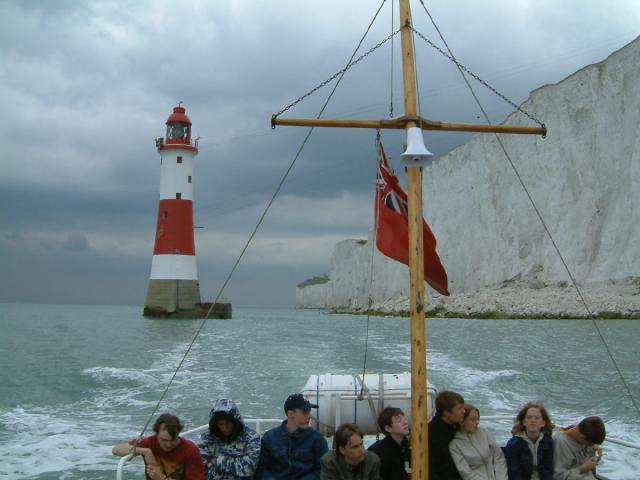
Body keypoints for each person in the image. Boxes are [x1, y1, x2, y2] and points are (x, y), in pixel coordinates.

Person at [112, 412, 205, 480]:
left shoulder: (191, 450)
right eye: (164, 440)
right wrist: (145, 451)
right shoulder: (150, 443)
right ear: (156, 434)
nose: (168, 444)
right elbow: (116, 450)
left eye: (173, 440)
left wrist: (161, 478)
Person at [256, 393, 329, 479]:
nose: (309, 416)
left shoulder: (317, 439)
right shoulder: (269, 438)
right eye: (305, 412)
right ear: (291, 413)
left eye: (309, 411)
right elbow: (261, 469)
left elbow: (323, 469)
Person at [198, 398, 261, 479]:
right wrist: (237, 463)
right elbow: (200, 467)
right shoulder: (206, 438)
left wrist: (217, 461)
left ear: (235, 421)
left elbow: (248, 469)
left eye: (228, 423)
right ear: (215, 424)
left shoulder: (251, 437)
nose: (225, 428)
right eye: (221, 424)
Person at [449, 404, 508, 480]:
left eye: (478, 419)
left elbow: (499, 458)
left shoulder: (485, 433)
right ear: (462, 422)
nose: (477, 422)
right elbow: (466, 473)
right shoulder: (455, 445)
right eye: (473, 419)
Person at [504, 402, 554, 480]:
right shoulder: (513, 444)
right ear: (524, 422)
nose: (533, 420)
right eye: (529, 417)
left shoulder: (548, 442)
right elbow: (514, 473)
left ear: (543, 423)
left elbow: (548, 471)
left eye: (536, 418)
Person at [428, 389, 466, 480]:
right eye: (459, 408)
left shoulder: (454, 424)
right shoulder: (433, 434)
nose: (464, 411)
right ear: (447, 413)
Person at [368, 406, 411, 480]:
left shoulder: (407, 447)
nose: (405, 422)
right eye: (399, 421)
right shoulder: (378, 452)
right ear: (388, 428)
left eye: (404, 419)